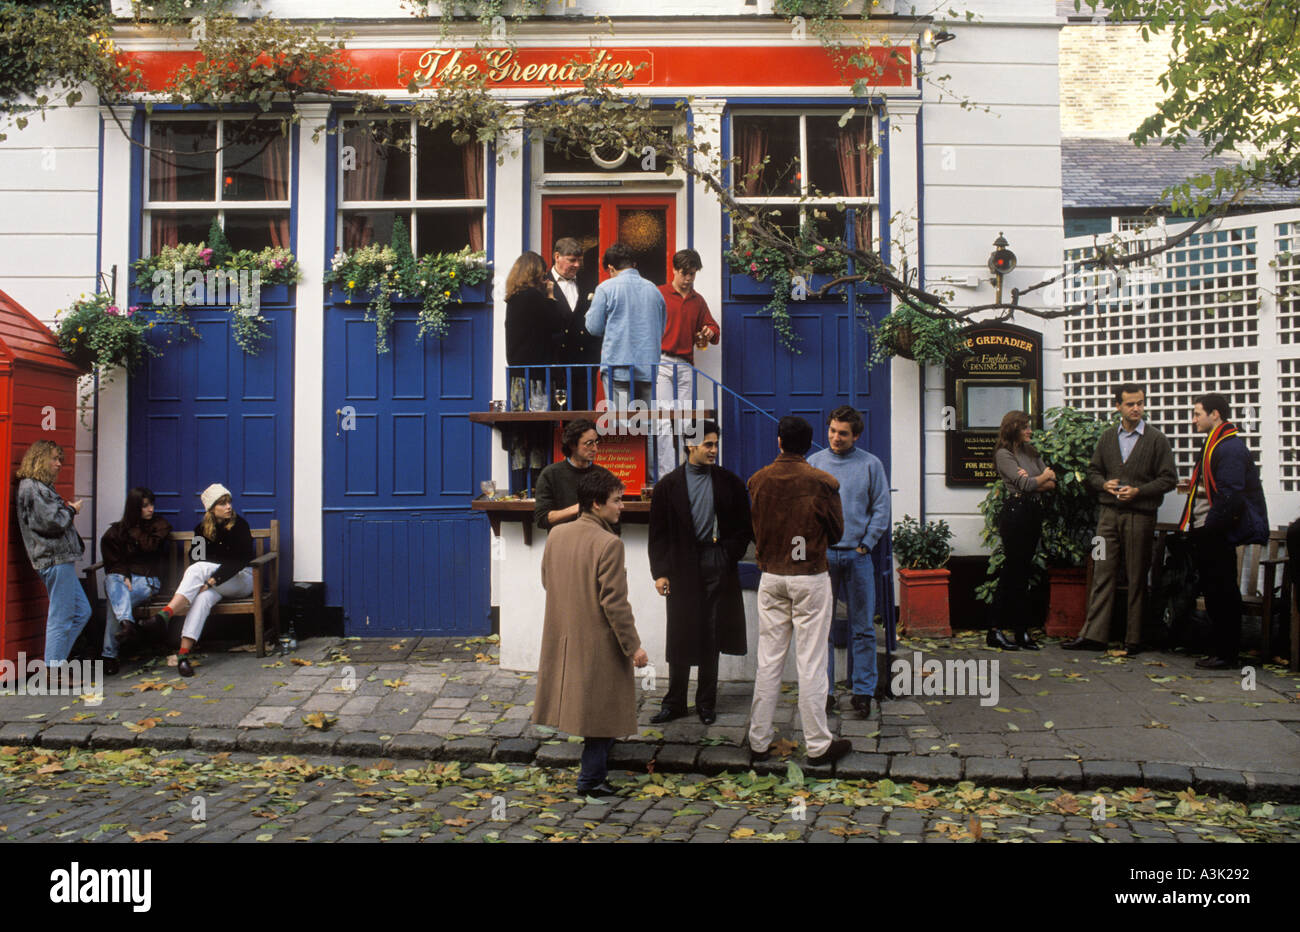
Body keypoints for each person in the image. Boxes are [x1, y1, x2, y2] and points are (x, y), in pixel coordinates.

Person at [533, 469, 649, 796]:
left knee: (589, 708)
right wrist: (634, 647)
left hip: (565, 634)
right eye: (616, 501)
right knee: (600, 713)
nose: (622, 507)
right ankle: (591, 780)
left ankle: (593, 776)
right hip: (599, 641)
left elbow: (547, 580)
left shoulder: (557, 534)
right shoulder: (609, 543)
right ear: (597, 505)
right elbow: (615, 603)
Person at [746, 416, 851, 767]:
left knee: (769, 661)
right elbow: (836, 534)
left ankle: (758, 740)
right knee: (811, 662)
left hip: (772, 575)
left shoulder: (758, 480)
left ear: (779, 442)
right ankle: (819, 745)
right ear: (810, 445)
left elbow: (755, 529)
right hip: (809, 575)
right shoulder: (822, 482)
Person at [648, 420, 752, 725]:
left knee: (712, 634)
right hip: (680, 567)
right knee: (680, 633)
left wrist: (726, 555)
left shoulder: (729, 482)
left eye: (716, 444)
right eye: (708, 444)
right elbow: (659, 534)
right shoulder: (668, 486)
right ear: (690, 445)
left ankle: (706, 702)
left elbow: (744, 528)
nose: (714, 450)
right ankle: (675, 702)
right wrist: (660, 572)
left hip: (716, 563)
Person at [1065, 384, 1177, 655]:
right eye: (1130, 404)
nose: (1136, 408)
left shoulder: (1156, 440)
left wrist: (1139, 491)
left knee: (1137, 575)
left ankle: (1134, 639)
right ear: (1118, 407)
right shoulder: (1106, 438)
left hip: (1140, 516)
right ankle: (1094, 636)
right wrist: (1104, 484)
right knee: (1102, 571)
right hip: (1108, 516)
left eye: (1140, 403)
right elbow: (1092, 473)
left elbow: (1169, 479)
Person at [808, 405, 890, 717]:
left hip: (858, 557)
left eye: (843, 433)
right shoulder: (814, 464)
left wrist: (866, 545)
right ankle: (824, 692)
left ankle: (863, 692)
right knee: (822, 628)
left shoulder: (871, 465)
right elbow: (806, 510)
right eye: (832, 430)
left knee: (863, 627)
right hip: (823, 558)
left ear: (856, 435)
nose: (835, 437)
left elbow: (881, 508)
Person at [1179, 393, 1268, 669]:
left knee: (1223, 592)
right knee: (1216, 591)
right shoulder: (1215, 444)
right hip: (1209, 530)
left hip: (1215, 532)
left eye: (1198, 413)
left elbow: (1230, 496)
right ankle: (1220, 650)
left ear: (1215, 414)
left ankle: (1226, 653)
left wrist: (1211, 530)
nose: (1194, 419)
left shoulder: (1228, 448)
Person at [149, 484, 255, 677]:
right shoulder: (201, 529)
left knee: (198, 570)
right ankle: (183, 655)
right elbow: (197, 557)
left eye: (229, 501)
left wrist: (212, 580)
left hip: (242, 580)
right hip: (214, 582)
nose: (228, 506)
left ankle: (165, 614)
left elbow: (240, 561)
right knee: (202, 599)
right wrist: (207, 584)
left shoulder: (240, 526)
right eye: (222, 503)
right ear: (211, 508)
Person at [15, 440, 91, 665]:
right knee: (62, 616)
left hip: (60, 558)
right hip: (54, 559)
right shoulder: (32, 487)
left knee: (82, 611)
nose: (59, 464)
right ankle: (53, 669)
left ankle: (55, 663)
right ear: (40, 459)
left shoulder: (39, 486)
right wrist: (71, 509)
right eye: (54, 459)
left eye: (60, 459)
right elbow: (52, 522)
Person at [990, 411, 1057, 650]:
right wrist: (1040, 478)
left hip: (1033, 512)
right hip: (1015, 513)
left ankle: (1021, 631)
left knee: (1022, 573)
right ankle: (995, 629)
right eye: (1025, 427)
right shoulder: (1004, 454)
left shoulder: (1030, 452)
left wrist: (1038, 479)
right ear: (1013, 429)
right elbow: (1026, 484)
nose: (1030, 431)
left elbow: (1051, 481)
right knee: (1012, 572)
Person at [504, 251, 570, 483]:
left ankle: (521, 485)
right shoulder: (533, 297)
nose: (545, 280)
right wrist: (551, 294)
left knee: (521, 432)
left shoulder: (513, 298)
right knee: (539, 430)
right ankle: (536, 484)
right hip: (537, 376)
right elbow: (556, 322)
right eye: (543, 275)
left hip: (518, 376)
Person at [655, 248, 720, 479]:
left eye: (692, 274)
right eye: (684, 273)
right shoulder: (659, 294)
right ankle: (665, 476)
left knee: (684, 423)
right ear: (674, 270)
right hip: (660, 362)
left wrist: (709, 332)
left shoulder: (697, 300)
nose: (688, 279)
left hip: (685, 364)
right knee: (663, 422)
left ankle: (684, 473)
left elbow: (714, 328)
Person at [99, 486, 172, 675]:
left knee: (114, 604)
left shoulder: (159, 526)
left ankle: (110, 654)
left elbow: (150, 548)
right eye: (145, 506)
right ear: (134, 508)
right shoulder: (116, 532)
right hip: (123, 581)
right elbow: (112, 560)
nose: (151, 510)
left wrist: (134, 529)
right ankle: (127, 624)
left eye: (151, 505)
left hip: (148, 581)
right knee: (113, 580)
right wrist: (124, 575)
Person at [584, 242, 666, 409]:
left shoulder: (606, 288)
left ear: (611, 268)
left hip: (618, 364)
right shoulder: (654, 290)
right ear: (634, 264)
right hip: (648, 365)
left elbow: (594, 328)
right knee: (646, 423)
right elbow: (661, 328)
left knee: (621, 425)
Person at [533, 419, 616, 530]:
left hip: (596, 540)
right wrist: (580, 508)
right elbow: (542, 519)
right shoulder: (551, 474)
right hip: (563, 542)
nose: (595, 449)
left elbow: (614, 518)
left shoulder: (603, 475)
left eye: (596, 442)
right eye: (589, 443)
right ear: (572, 445)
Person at [551, 237, 600, 410]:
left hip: (584, 365)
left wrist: (594, 360)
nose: (577, 265)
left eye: (580, 260)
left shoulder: (588, 283)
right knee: (554, 421)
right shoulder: (542, 284)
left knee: (583, 419)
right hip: (554, 365)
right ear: (557, 257)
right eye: (572, 260)